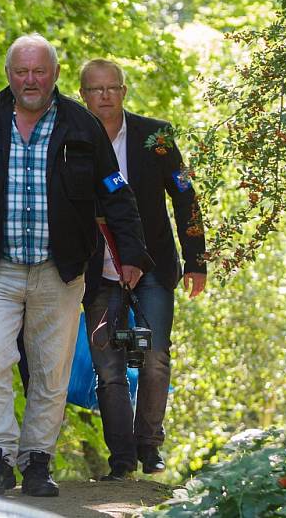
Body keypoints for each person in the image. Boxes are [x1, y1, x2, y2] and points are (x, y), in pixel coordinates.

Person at [0, 34, 153, 497]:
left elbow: (115, 191)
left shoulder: (82, 127)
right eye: (21, 71)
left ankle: (37, 462)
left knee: (50, 370)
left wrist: (132, 255)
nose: (30, 80)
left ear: (54, 74)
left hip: (59, 272)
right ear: (9, 75)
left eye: (38, 71)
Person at [78, 59, 207, 481]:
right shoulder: (71, 137)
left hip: (153, 265)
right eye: (96, 90)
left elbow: (185, 197)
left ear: (124, 91)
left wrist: (197, 260)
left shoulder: (156, 136)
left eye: (112, 88)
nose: (105, 96)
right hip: (97, 269)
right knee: (109, 366)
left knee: (153, 356)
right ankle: (121, 458)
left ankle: (149, 444)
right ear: (83, 95)